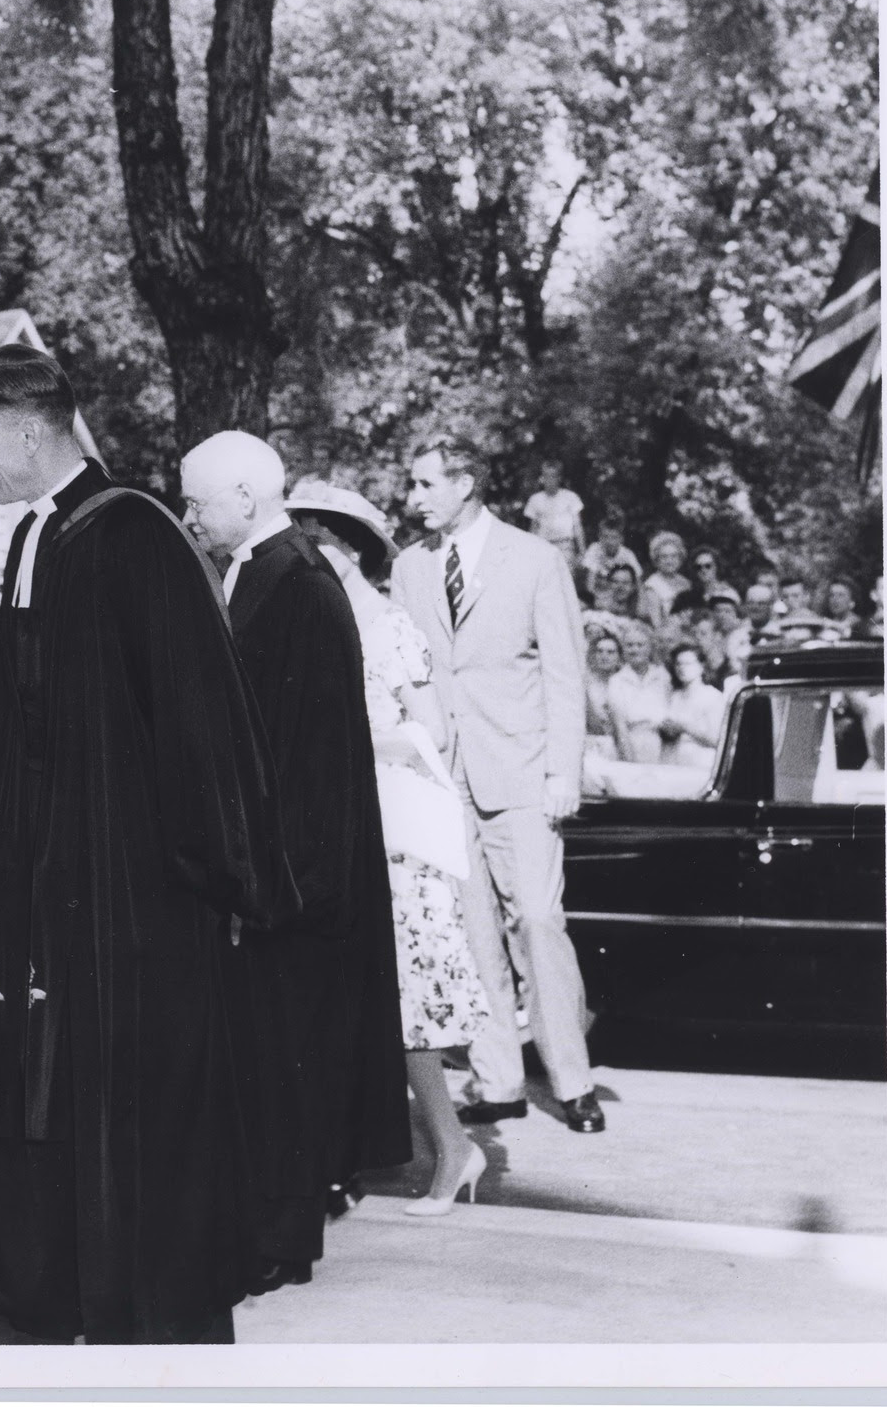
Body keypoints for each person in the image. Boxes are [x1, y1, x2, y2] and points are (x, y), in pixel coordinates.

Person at [0, 346, 285, 1346]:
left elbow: (202, 723)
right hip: (38, 891)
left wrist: (214, 883)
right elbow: (14, 709)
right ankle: (39, 1292)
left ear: (30, 428)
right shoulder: (40, 536)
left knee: (126, 1129)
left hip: (128, 906)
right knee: (23, 1082)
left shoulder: (134, 536)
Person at [181, 439, 408, 1286]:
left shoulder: (300, 585)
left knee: (284, 1066)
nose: (191, 517)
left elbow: (311, 759)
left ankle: (279, 1245)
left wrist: (272, 883)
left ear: (244, 494)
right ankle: (265, 1230)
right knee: (264, 1066)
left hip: (294, 882)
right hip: (274, 873)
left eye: (198, 502)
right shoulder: (263, 569)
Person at [284, 478, 489, 1219]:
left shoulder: (390, 625)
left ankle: (450, 1146)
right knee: (348, 999)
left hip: (393, 830)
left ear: (348, 548)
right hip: (339, 824)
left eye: (318, 540)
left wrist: (352, 741)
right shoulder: (316, 619)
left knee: (408, 1006)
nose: (308, 553)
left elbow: (433, 728)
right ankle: (345, 1162)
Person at [394, 440, 602, 1135]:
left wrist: (562, 772)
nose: (413, 497)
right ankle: (498, 1079)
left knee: (539, 923)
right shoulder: (409, 566)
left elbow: (565, 674)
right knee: (470, 929)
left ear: (467, 483)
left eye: (425, 484)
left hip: (522, 773)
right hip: (443, 777)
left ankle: (572, 1080)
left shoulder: (536, 559)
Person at [605, 620, 669, 765]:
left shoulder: (663, 676)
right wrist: (630, 763)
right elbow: (620, 727)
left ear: (650, 648)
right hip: (632, 743)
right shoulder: (617, 681)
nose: (635, 650)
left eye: (640, 645)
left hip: (663, 744)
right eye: (629, 645)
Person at [657, 645, 727, 773]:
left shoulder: (712, 696)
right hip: (674, 762)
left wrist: (685, 727)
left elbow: (718, 739)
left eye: (688, 663)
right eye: (678, 664)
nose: (682, 668)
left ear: (701, 666)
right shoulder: (675, 695)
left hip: (700, 762)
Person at [522, 460, 585, 572]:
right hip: (543, 546)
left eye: (553, 476)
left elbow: (577, 526)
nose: (549, 480)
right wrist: (530, 552)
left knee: (566, 581)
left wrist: (582, 551)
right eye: (546, 476)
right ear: (542, 478)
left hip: (565, 547)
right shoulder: (535, 499)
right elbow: (533, 529)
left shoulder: (571, 497)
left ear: (559, 478)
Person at [581, 629, 624, 793]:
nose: (604, 656)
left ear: (619, 656)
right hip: (594, 745)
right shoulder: (586, 684)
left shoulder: (623, 683)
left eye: (610, 652)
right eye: (599, 651)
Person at [578, 512, 637, 604]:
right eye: (605, 537)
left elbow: (638, 581)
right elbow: (590, 584)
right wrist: (598, 602)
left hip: (621, 596)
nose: (609, 542)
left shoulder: (627, 554)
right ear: (599, 537)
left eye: (614, 537)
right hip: (599, 595)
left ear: (621, 539)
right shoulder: (594, 549)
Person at [640, 532, 693, 627]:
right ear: (656, 560)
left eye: (674, 556)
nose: (669, 561)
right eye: (664, 557)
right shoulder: (652, 585)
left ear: (680, 558)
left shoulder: (685, 582)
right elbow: (656, 623)